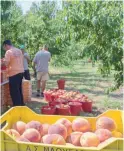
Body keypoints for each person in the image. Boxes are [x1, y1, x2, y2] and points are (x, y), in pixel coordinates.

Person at [2, 40, 24, 106]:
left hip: (13, 73)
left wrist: (1, 63)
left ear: (6, 45)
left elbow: (6, 63)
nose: (4, 49)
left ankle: (17, 107)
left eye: (4, 47)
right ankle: (21, 105)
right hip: (20, 72)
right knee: (19, 90)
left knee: (14, 92)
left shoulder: (8, 52)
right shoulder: (19, 50)